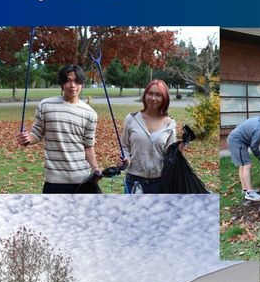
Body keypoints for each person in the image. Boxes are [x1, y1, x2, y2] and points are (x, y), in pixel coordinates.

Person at [16, 64, 102, 194]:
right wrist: (27, 138)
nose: (72, 85)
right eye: (68, 80)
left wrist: (95, 168)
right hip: (54, 180)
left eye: (77, 81)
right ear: (62, 83)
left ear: (82, 84)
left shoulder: (90, 113)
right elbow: (37, 133)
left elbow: (88, 146)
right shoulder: (45, 105)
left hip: (81, 179)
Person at [120, 79, 177, 194]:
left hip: (160, 181)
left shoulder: (170, 123)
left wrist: (178, 149)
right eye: (150, 93)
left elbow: (170, 154)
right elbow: (125, 145)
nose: (153, 98)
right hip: (134, 180)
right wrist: (126, 159)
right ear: (145, 94)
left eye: (158, 95)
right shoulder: (131, 119)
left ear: (164, 98)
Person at [227, 112, 260, 202]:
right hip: (237, 141)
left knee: (243, 165)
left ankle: (245, 189)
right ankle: (250, 193)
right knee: (247, 165)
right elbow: (254, 146)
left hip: (238, 140)